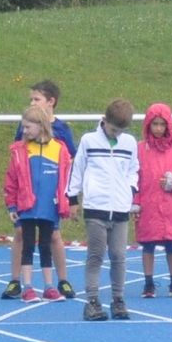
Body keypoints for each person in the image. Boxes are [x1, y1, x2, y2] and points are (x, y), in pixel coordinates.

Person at [66, 98, 141, 321]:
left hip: (120, 209)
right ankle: (92, 300)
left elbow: (133, 169)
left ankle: (118, 299)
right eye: (113, 129)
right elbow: (77, 169)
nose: (116, 134)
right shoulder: (89, 141)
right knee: (96, 255)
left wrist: (130, 189)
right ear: (104, 120)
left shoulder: (129, 143)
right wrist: (72, 198)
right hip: (95, 207)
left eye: (120, 130)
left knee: (119, 255)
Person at [11, 79, 76, 294]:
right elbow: (17, 159)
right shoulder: (25, 127)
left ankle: (62, 280)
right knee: (21, 233)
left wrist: (71, 198)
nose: (32, 103)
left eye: (36, 99)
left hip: (50, 197)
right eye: (30, 99)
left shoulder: (62, 130)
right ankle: (16, 281)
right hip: (27, 196)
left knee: (53, 236)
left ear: (51, 102)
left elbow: (70, 166)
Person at [2, 109, 72, 301]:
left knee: (45, 246)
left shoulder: (59, 149)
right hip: (27, 207)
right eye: (23, 127)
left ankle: (49, 286)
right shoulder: (20, 150)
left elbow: (66, 178)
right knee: (28, 245)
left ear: (41, 126)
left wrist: (66, 202)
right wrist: (12, 206)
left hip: (49, 208)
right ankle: (27, 286)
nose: (24, 131)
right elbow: (11, 180)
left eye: (27, 127)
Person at [134, 102, 172, 298]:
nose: (158, 128)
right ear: (148, 125)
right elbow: (134, 176)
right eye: (154, 124)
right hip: (148, 202)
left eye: (162, 124)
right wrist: (136, 201)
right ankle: (148, 283)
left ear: (168, 125)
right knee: (148, 243)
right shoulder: (140, 149)